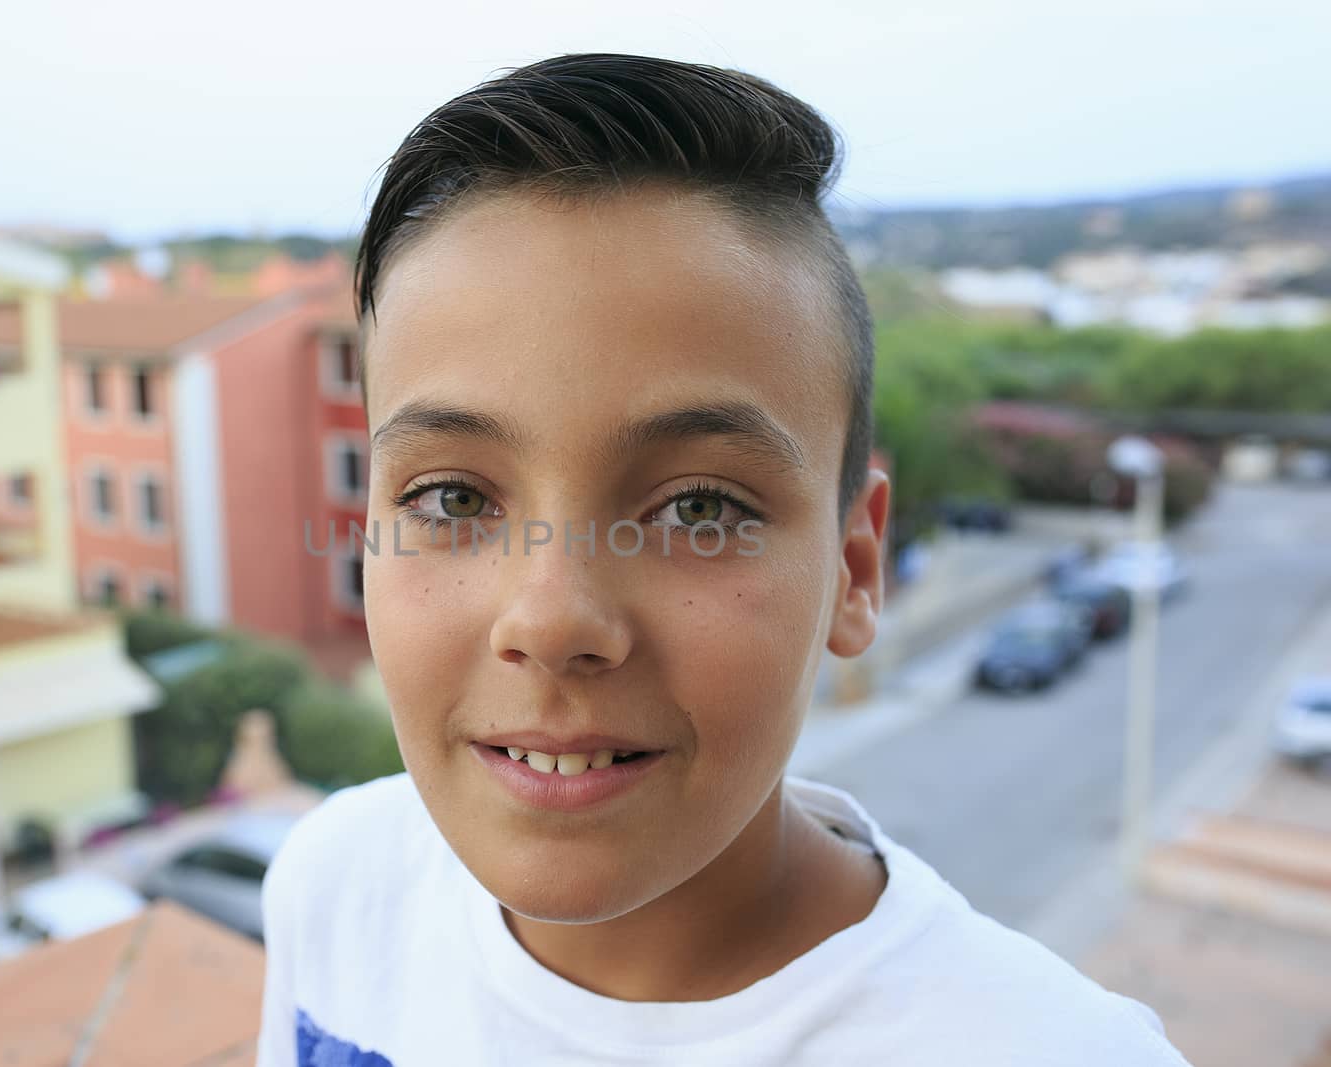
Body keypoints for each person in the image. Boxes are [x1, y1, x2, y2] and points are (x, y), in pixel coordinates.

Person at [257, 53, 1190, 1066]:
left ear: (852, 568)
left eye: (699, 507)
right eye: (451, 497)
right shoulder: (337, 885)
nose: (552, 618)